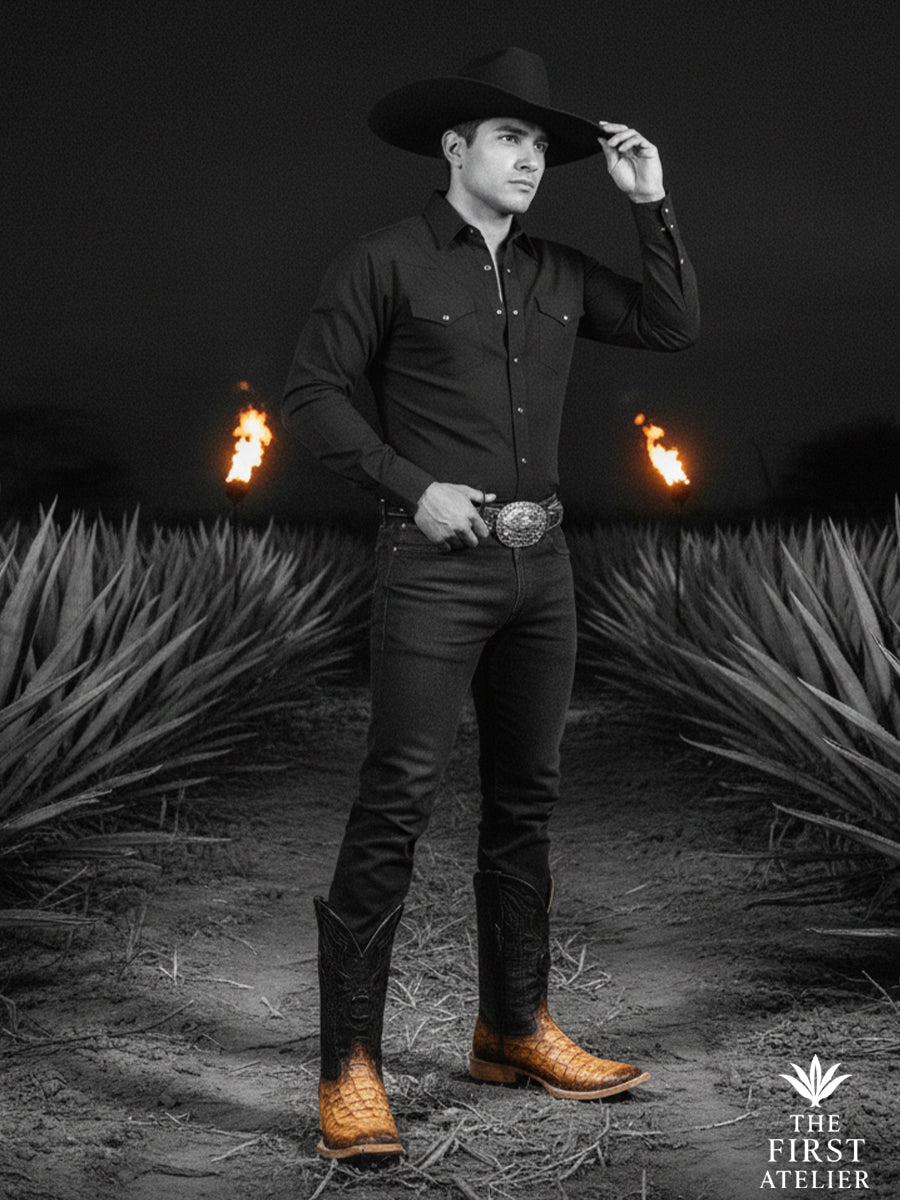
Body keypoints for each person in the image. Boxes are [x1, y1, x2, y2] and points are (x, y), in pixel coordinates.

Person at [282, 46, 699, 1160]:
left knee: (527, 801)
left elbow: (671, 326)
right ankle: (350, 1069)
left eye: (542, 147)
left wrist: (650, 203)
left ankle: (513, 1031)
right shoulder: (382, 261)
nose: (530, 160)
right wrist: (410, 487)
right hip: (432, 567)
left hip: (541, 570)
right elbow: (312, 396)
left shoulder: (562, 272)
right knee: (398, 799)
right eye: (510, 139)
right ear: (454, 146)